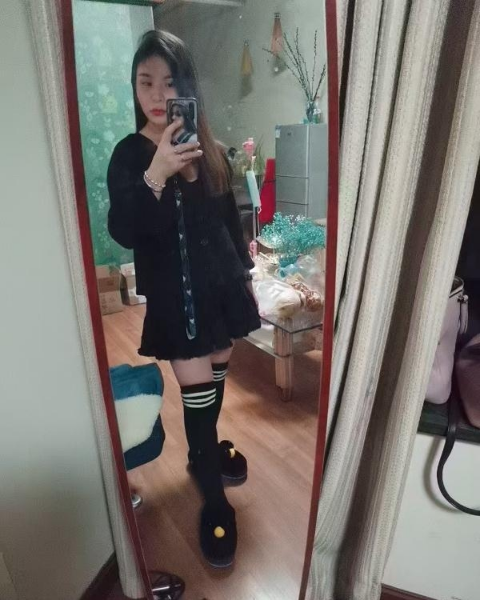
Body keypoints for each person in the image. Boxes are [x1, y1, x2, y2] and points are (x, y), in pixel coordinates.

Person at [107, 30, 260, 568]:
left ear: (187, 87)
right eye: (145, 81)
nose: (156, 94)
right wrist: (157, 173)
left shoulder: (210, 150)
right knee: (196, 390)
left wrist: (246, 275)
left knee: (215, 381)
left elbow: (228, 222)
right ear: (134, 88)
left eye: (169, 82)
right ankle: (214, 496)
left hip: (220, 291)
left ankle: (204, 450)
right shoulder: (130, 155)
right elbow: (124, 229)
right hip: (177, 301)